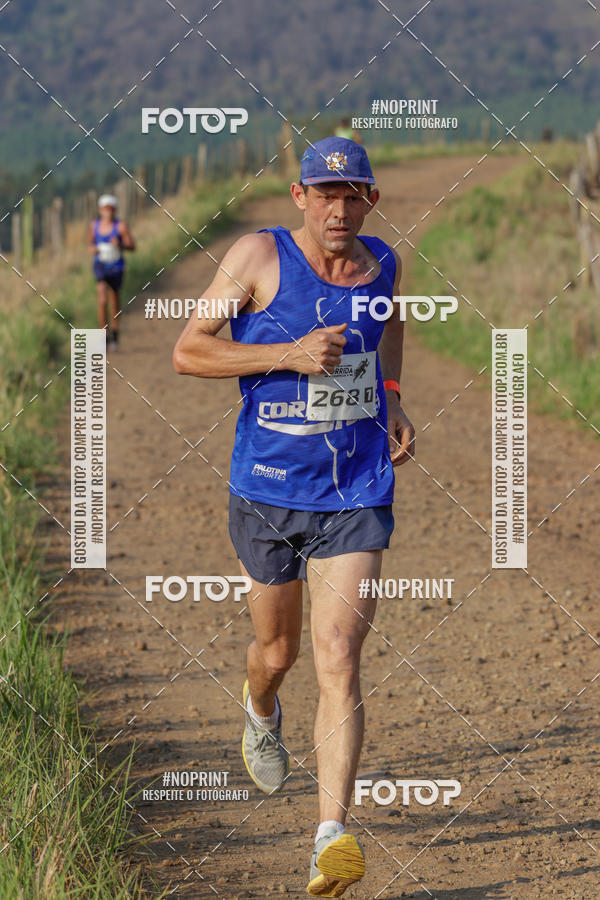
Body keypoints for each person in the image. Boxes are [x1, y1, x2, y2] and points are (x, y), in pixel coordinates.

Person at [173, 136, 414, 897]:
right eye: (325, 193)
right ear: (300, 196)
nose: (340, 208)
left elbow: (389, 327)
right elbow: (188, 352)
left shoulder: (385, 266)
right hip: (269, 488)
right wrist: (287, 353)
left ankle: (330, 839)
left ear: (369, 201)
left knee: (340, 655)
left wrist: (396, 394)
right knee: (278, 653)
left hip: (357, 489)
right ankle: (261, 705)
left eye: (354, 195)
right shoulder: (257, 257)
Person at [89, 194, 135, 349]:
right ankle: (104, 335)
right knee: (102, 299)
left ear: (114, 210)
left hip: (116, 266)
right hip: (100, 265)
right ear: (100, 210)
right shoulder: (94, 226)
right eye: (105, 209)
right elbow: (90, 244)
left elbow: (132, 246)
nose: (108, 212)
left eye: (111, 209)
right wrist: (93, 249)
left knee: (114, 300)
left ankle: (115, 332)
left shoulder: (120, 226)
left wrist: (120, 245)